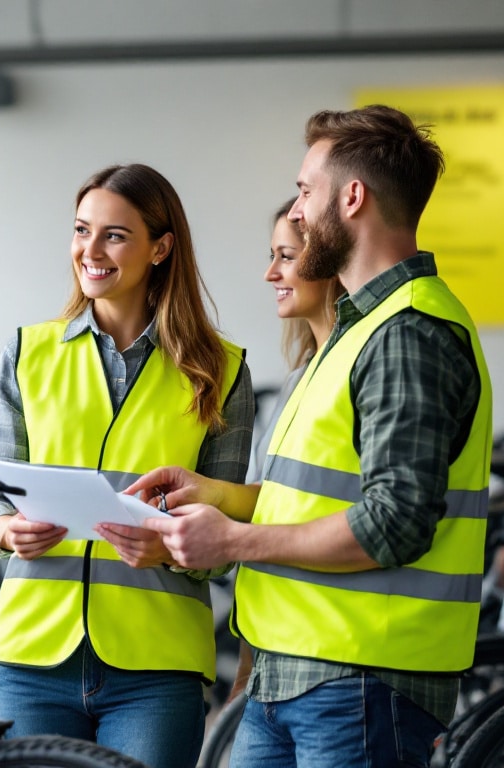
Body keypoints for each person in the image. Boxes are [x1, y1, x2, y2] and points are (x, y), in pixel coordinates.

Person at [129, 105, 494, 767]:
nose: (297, 212)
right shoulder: (362, 327)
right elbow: (318, 495)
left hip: (360, 682)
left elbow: (394, 524)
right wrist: (220, 495)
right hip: (295, 674)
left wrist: (235, 540)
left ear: (351, 197)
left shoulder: (409, 333)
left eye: (305, 191)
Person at [0, 163, 255, 768]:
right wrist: (4, 530)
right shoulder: (26, 353)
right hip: (32, 659)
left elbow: (230, 536)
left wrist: (173, 549)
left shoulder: (222, 371)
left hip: (155, 668)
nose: (90, 250)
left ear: (161, 247)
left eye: (114, 235)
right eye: (81, 230)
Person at [228, 197, 345, 704]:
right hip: (274, 646)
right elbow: (270, 509)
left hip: (329, 657)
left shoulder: (351, 371)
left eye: (287, 256)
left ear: (330, 264)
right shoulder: (300, 379)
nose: (271, 272)